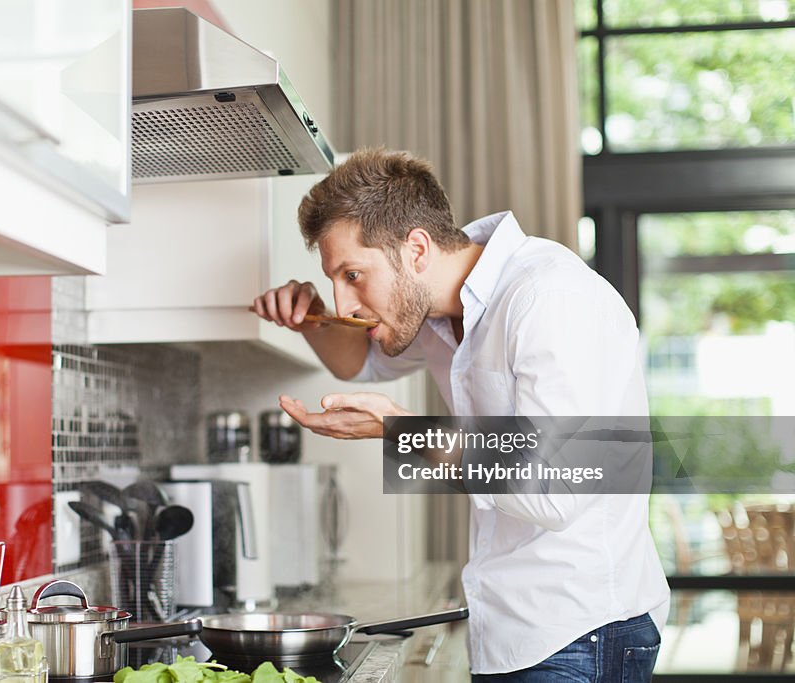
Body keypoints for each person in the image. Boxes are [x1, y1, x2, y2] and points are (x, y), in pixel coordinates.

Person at [250, 148, 670, 682]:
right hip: (514, 625)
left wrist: (399, 430)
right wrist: (310, 318)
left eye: (353, 274)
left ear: (417, 248)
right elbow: (359, 367)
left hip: (580, 627)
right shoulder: (437, 313)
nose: (345, 302)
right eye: (335, 279)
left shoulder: (549, 297)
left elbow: (557, 486)